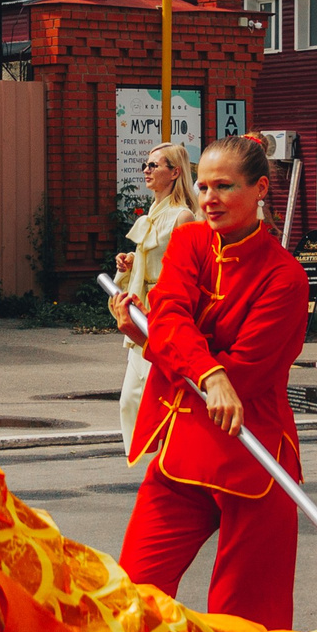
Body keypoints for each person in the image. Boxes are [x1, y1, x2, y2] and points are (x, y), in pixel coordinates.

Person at [117, 135, 311, 632]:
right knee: (133, 598)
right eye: (202, 186)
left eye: (224, 186)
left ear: (260, 188)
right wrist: (201, 366)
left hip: (253, 456)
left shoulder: (285, 277)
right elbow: (171, 314)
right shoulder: (190, 241)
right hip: (181, 445)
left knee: (245, 627)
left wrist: (165, 341)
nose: (209, 199)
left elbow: (246, 371)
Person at [113, 142, 197, 438]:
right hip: (139, 309)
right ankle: (150, 460)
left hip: (162, 311)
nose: (146, 170)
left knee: (154, 392)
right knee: (130, 400)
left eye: (154, 165)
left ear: (175, 172)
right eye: (145, 165)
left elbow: (184, 269)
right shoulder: (147, 216)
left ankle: (170, 457)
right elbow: (153, 257)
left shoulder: (182, 216)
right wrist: (130, 262)